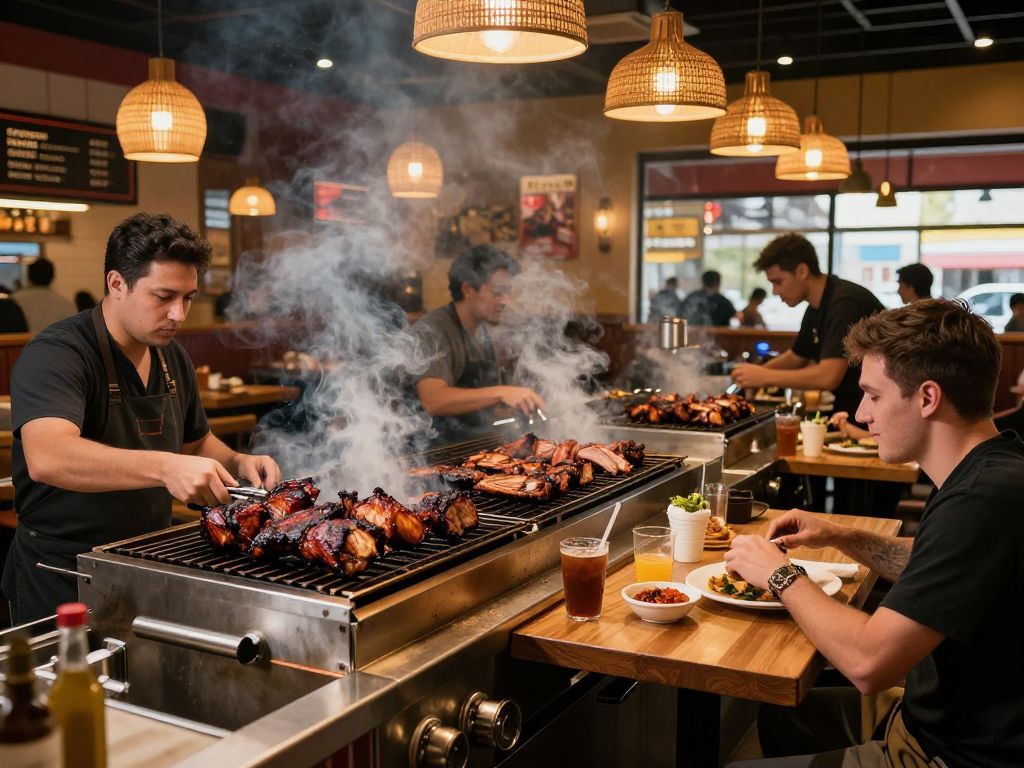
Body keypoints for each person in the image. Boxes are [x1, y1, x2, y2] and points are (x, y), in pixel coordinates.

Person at [726, 299, 1024, 768]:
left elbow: (868, 664)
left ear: (928, 398)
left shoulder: (980, 502)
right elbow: (937, 564)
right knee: (785, 716)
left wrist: (778, 574)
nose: (862, 414)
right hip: (926, 716)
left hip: (952, 753)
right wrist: (839, 534)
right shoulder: (992, 468)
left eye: (874, 395)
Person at [2, 213, 281, 625]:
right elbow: (49, 456)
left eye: (187, 297)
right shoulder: (59, 353)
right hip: (62, 572)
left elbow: (196, 443)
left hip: (147, 559)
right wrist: (166, 467)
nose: (178, 314)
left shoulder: (171, 355)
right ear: (117, 284)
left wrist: (237, 462)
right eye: (164, 296)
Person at [730, 234, 883, 421]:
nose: (775, 291)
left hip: (874, 412)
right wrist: (750, 376)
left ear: (802, 271)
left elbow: (828, 376)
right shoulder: (816, 306)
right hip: (850, 409)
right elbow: (796, 356)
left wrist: (765, 376)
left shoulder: (843, 303)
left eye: (777, 282)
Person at [411, 244, 544, 442]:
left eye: (508, 292)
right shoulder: (433, 330)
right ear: (467, 289)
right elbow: (433, 400)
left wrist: (516, 411)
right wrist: (502, 392)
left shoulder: (482, 334)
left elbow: (478, 408)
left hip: (467, 447)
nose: (505, 300)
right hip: (427, 450)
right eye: (498, 292)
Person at [13, 256, 76, 332]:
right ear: (52, 277)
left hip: (23, 344)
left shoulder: (14, 301)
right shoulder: (67, 305)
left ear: (29, 276)